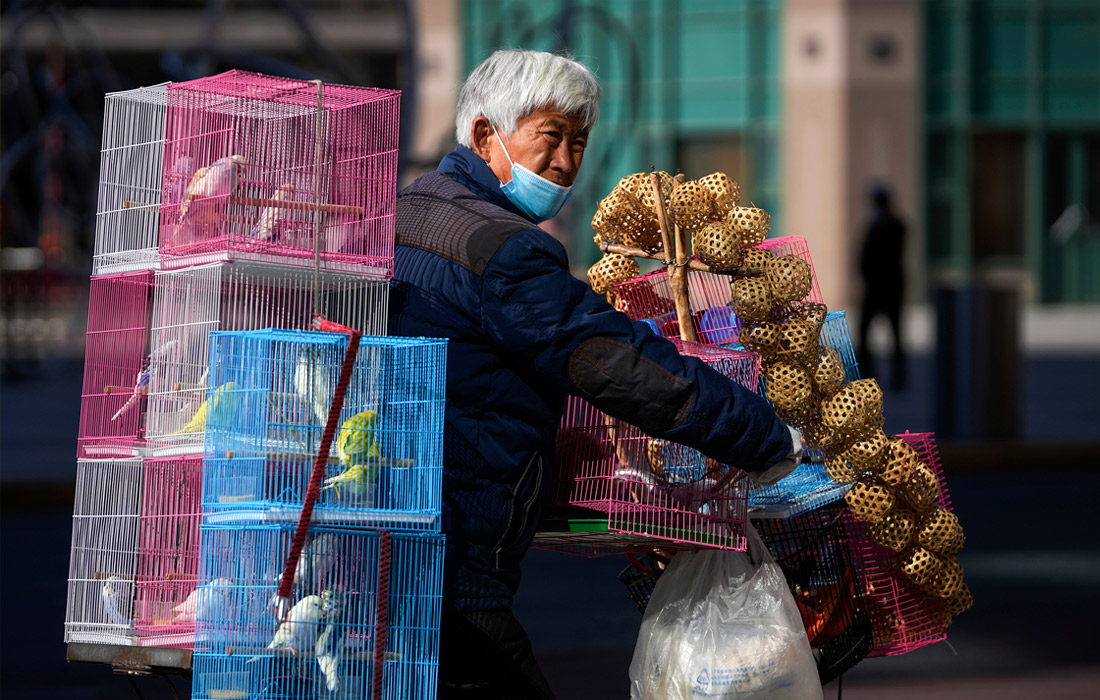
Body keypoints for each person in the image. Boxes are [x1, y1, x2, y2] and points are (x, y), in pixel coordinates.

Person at [388, 49, 803, 699]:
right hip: (452, 568)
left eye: (578, 143)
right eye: (549, 138)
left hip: (391, 544)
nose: (564, 162)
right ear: (482, 135)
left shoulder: (408, 212)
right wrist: (764, 438)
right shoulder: (507, 251)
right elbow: (619, 364)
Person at [856, 183, 907, 390]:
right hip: (873, 288)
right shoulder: (872, 224)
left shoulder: (895, 225)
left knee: (895, 334)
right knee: (864, 331)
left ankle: (898, 377)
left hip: (888, 288)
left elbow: (886, 256)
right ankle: (868, 373)